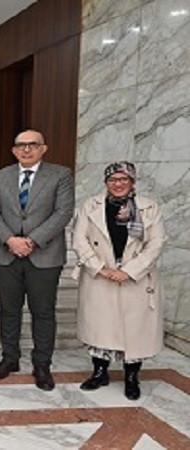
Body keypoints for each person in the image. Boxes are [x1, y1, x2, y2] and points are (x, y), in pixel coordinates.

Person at [0, 129, 74, 391]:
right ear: (14, 150)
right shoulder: (0, 176)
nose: (26, 149)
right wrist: (10, 240)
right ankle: (9, 358)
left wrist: (32, 241)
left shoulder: (60, 175)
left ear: (43, 148)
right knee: (8, 310)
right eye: (21, 145)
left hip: (44, 256)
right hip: (6, 254)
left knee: (43, 312)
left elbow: (63, 212)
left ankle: (42, 364)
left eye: (32, 144)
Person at [72, 162, 165, 401]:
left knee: (135, 331)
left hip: (136, 277)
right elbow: (79, 239)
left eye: (124, 179)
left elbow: (156, 243)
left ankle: (132, 377)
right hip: (101, 275)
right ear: (106, 183)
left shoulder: (149, 207)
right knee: (100, 326)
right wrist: (99, 267)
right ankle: (99, 372)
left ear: (132, 182)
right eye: (113, 180)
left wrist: (129, 271)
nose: (118, 184)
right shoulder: (90, 205)